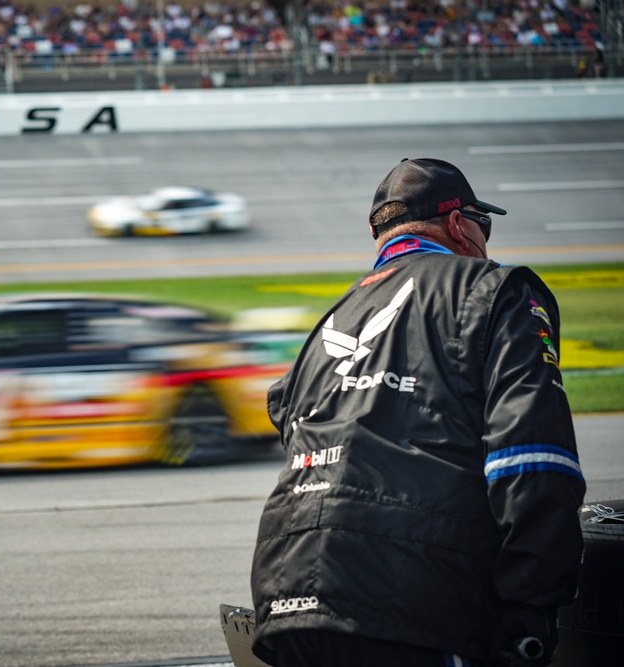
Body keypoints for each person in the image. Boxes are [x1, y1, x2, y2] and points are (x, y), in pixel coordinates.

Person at [250, 158, 586, 667]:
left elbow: (291, 422)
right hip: (414, 602)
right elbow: (533, 457)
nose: (485, 239)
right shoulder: (494, 290)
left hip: (285, 597)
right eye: (483, 223)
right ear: (458, 224)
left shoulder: (329, 321)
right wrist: (534, 604)